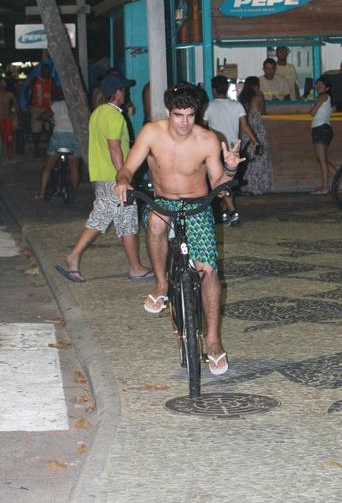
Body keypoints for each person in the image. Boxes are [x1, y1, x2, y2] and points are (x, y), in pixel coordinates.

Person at [115, 82, 246, 375]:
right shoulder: (151, 132)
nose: (185, 123)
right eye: (178, 115)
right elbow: (127, 167)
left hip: (197, 205)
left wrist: (231, 168)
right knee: (154, 221)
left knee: (208, 270)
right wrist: (122, 180)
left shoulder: (207, 140)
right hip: (163, 202)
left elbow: (220, 188)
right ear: (167, 112)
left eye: (190, 115)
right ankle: (161, 284)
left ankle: (212, 341)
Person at [56, 74, 152, 283]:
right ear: (117, 93)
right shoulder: (113, 116)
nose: (126, 93)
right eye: (124, 90)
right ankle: (73, 257)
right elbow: (114, 147)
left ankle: (136, 267)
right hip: (114, 178)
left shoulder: (98, 113)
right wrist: (123, 177)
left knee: (125, 221)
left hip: (104, 175)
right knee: (101, 218)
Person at [203, 75, 261, 226]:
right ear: (227, 88)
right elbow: (245, 126)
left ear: (214, 90)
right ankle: (225, 212)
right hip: (234, 152)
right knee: (226, 183)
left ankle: (232, 212)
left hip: (215, 151)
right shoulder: (237, 106)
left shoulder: (208, 106)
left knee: (220, 183)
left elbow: (202, 129)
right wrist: (256, 142)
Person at [35, 86, 81, 201]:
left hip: (58, 137)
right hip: (73, 137)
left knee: (48, 166)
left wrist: (45, 118)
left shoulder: (56, 105)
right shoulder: (76, 105)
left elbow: (43, 116)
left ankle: (41, 193)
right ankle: (73, 193)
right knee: (73, 167)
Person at [238, 76, 273, 195]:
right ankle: (258, 187)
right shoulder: (259, 97)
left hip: (245, 129)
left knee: (248, 158)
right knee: (260, 156)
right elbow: (263, 112)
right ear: (256, 85)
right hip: (257, 129)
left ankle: (247, 186)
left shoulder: (241, 98)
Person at [310, 75, 336, 195]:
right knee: (322, 159)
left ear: (327, 88)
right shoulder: (328, 97)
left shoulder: (322, 96)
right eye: (317, 84)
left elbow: (312, 112)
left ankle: (325, 187)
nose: (318, 86)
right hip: (324, 129)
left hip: (320, 129)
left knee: (322, 160)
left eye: (321, 85)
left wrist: (310, 109)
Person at [26, 63, 55, 156]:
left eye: (48, 70)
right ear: (42, 70)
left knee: (51, 127)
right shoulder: (35, 80)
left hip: (49, 108)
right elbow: (27, 90)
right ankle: (36, 148)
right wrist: (28, 102)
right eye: (45, 70)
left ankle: (49, 148)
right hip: (36, 107)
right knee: (36, 129)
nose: (47, 72)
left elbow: (54, 92)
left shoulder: (51, 80)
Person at [0, 77, 18, 160]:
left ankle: (9, 156)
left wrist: (14, 116)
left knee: (9, 139)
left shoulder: (9, 94)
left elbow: (16, 105)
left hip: (7, 119)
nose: (2, 84)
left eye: (2, 83)